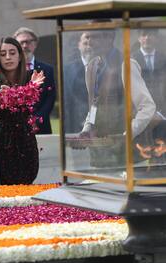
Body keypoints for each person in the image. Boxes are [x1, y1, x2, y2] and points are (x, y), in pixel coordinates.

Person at [79, 27, 156, 166]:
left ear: (109, 38)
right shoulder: (91, 66)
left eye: (94, 37)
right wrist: (86, 129)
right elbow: (94, 106)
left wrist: (127, 136)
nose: (89, 42)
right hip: (100, 154)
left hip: (128, 156)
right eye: (88, 37)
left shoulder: (126, 64)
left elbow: (147, 106)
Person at [0, 37, 45, 184]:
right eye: (3, 54)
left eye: (12, 52)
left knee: (26, 183)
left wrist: (26, 90)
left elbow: (37, 105)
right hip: (1, 139)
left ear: (20, 56)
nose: (8, 57)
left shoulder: (30, 77)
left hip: (25, 138)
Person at [14, 27, 56, 134]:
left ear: (35, 44)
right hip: (17, 126)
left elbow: (50, 97)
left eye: (28, 42)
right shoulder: (11, 69)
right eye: (21, 42)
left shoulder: (47, 69)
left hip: (41, 126)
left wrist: (37, 119)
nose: (25, 46)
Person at [63, 32, 93, 133]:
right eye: (85, 43)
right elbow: (66, 101)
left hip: (100, 125)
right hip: (75, 125)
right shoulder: (68, 70)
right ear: (79, 45)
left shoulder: (106, 68)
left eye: (91, 44)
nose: (89, 47)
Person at [132, 29, 166, 116]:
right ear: (139, 38)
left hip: (162, 111)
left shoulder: (164, 59)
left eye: (151, 35)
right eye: (144, 35)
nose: (147, 38)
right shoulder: (131, 60)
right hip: (139, 112)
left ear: (157, 38)